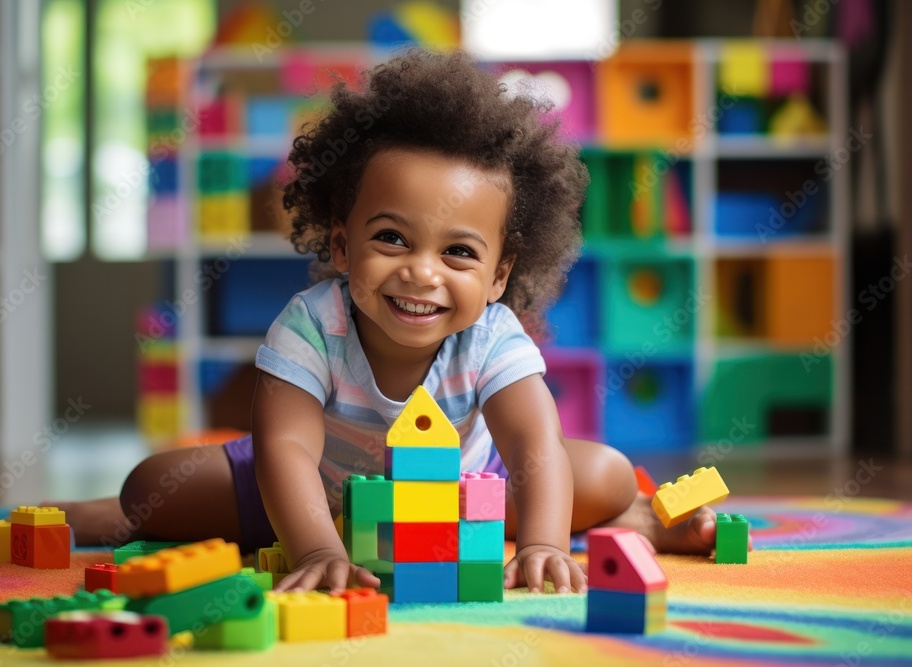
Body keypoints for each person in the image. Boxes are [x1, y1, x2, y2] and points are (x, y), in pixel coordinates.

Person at [61, 49, 721, 596]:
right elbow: (284, 446)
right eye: (392, 239)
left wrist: (544, 543)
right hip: (310, 491)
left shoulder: (491, 335)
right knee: (149, 488)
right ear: (343, 245)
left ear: (498, 274)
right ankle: (110, 518)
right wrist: (317, 545)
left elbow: (533, 445)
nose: (422, 272)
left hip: (464, 499)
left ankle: (636, 516)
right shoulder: (312, 324)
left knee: (603, 471)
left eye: (458, 252)